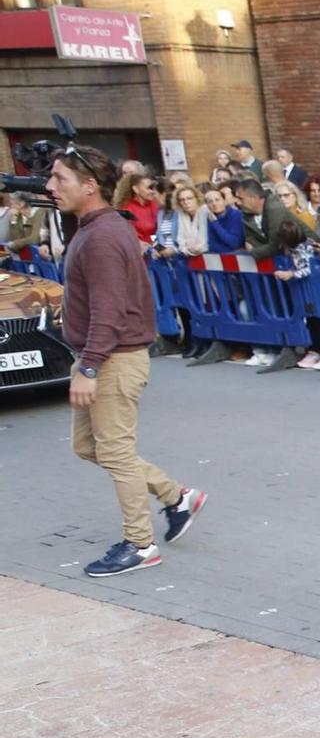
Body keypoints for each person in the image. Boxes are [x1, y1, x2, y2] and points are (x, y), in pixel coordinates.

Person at [52, 145, 207, 579]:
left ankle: (140, 544)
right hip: (103, 356)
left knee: (116, 453)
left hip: (113, 360)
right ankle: (175, 496)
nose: (49, 186)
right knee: (88, 447)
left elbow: (110, 309)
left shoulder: (102, 236)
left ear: (89, 186)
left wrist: (89, 367)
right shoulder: (95, 226)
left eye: (59, 179)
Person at [152, 184, 209, 259]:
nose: (186, 202)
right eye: (182, 200)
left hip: (204, 257)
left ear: (197, 198)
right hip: (179, 258)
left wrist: (181, 249)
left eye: (189, 198)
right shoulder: (166, 214)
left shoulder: (205, 212)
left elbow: (202, 245)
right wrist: (157, 248)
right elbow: (180, 241)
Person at [112, 172, 161, 243]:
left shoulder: (154, 204)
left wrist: (157, 247)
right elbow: (127, 237)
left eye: (152, 188)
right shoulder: (126, 209)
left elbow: (155, 232)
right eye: (149, 188)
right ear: (136, 189)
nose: (152, 191)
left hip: (154, 247)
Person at [202, 187, 245, 253]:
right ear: (207, 205)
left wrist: (215, 223)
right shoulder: (206, 218)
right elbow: (210, 245)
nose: (214, 204)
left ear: (224, 201)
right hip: (216, 258)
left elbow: (234, 243)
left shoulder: (236, 215)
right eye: (210, 201)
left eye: (217, 200)